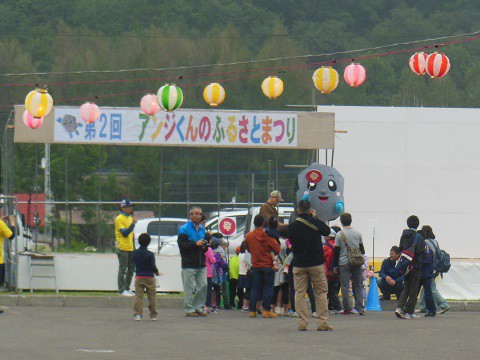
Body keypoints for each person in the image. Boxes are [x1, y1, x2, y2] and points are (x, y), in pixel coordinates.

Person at [288, 199, 332, 331]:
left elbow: (291, 241)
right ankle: (322, 322)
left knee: (299, 293)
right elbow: (326, 231)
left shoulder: (293, 225)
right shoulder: (315, 222)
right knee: (320, 292)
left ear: (298, 210)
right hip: (316, 263)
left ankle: (302, 322)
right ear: (310, 209)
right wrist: (316, 217)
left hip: (299, 263)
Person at [245, 214, 280, 318]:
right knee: (268, 288)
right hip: (268, 266)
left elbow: (248, 249)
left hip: (256, 265)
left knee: (255, 288)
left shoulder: (248, 236)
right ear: (263, 223)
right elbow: (277, 249)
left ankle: (252, 310)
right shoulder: (267, 236)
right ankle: (266, 310)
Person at [177, 206, 209, 317]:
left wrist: (204, 246)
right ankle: (189, 309)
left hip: (201, 262)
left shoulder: (202, 229)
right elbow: (182, 245)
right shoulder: (184, 229)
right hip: (188, 263)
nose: (198, 216)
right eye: (195, 214)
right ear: (190, 215)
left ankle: (198, 306)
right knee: (189, 287)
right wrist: (196, 244)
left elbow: (203, 244)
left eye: (200, 214)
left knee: (203, 285)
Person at [333, 212, 366, 315]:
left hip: (344, 262)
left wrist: (335, 265)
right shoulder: (358, 233)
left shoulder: (339, 234)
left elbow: (336, 251)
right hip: (356, 261)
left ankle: (347, 308)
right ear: (351, 220)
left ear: (341, 222)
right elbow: (362, 250)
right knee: (358, 284)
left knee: (345, 285)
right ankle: (359, 307)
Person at [395, 215, 425, 319]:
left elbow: (400, 248)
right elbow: (421, 251)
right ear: (417, 224)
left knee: (406, 287)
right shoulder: (419, 237)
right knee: (413, 290)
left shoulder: (403, 235)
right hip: (415, 265)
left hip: (405, 265)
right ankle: (409, 312)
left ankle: (399, 308)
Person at [416, 225, 450, 314]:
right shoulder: (435, 242)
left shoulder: (425, 242)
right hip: (436, 267)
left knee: (431, 288)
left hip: (429, 268)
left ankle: (443, 304)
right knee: (426, 287)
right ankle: (423, 306)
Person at [132, 233, 159, 321]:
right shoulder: (150, 254)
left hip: (139, 276)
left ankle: (138, 315)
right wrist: (157, 272)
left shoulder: (134, 253)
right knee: (152, 297)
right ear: (149, 242)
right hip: (149, 277)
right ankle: (153, 315)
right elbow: (152, 266)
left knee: (138, 297)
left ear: (139, 242)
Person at [115, 199, 137, 297]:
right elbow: (124, 233)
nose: (130, 208)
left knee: (131, 268)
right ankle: (121, 290)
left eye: (131, 206)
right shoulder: (119, 218)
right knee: (123, 269)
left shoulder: (129, 218)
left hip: (130, 247)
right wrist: (133, 224)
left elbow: (131, 235)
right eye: (128, 206)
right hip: (122, 247)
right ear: (123, 208)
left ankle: (127, 288)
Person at [323, 227, 343, 314]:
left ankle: (337, 307)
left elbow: (323, 260)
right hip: (338, 271)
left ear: (329, 236)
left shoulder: (326, 247)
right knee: (334, 289)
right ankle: (331, 307)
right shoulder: (337, 245)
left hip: (329, 273)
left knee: (331, 291)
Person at [237, 242, 252, 311]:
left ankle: (242, 305)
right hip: (246, 273)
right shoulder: (246, 254)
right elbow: (249, 263)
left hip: (240, 273)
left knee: (242, 291)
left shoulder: (240, 254)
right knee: (247, 290)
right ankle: (246, 305)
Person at [204, 236, 216, 313]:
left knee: (201, 289)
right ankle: (207, 306)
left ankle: (201, 305)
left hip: (201, 271)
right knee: (208, 290)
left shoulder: (200, 248)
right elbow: (212, 260)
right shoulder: (209, 249)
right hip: (208, 272)